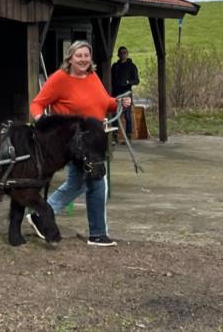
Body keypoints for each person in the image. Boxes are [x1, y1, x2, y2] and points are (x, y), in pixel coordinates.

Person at [26, 40, 130, 247]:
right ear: (70, 58)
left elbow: (103, 102)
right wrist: (42, 122)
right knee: (97, 182)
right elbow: (37, 103)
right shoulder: (60, 79)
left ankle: (41, 214)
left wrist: (118, 101)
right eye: (79, 55)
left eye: (86, 55)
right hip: (73, 140)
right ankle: (98, 234)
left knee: (79, 182)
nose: (83, 59)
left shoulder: (92, 76)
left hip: (94, 138)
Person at [110, 46, 139, 139]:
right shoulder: (115, 66)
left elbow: (137, 80)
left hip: (126, 93)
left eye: (124, 53)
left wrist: (128, 82)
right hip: (116, 93)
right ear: (118, 54)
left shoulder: (131, 66)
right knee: (114, 115)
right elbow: (110, 79)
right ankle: (114, 135)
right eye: (121, 53)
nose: (123, 54)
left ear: (127, 54)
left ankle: (128, 135)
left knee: (127, 115)